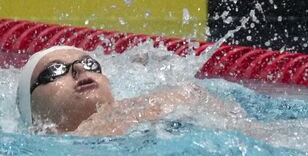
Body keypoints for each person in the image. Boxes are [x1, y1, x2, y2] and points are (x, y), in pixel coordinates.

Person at [17, 45, 248, 136]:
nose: (79, 68)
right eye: (56, 70)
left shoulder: (155, 106)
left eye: (90, 64)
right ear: (31, 109)